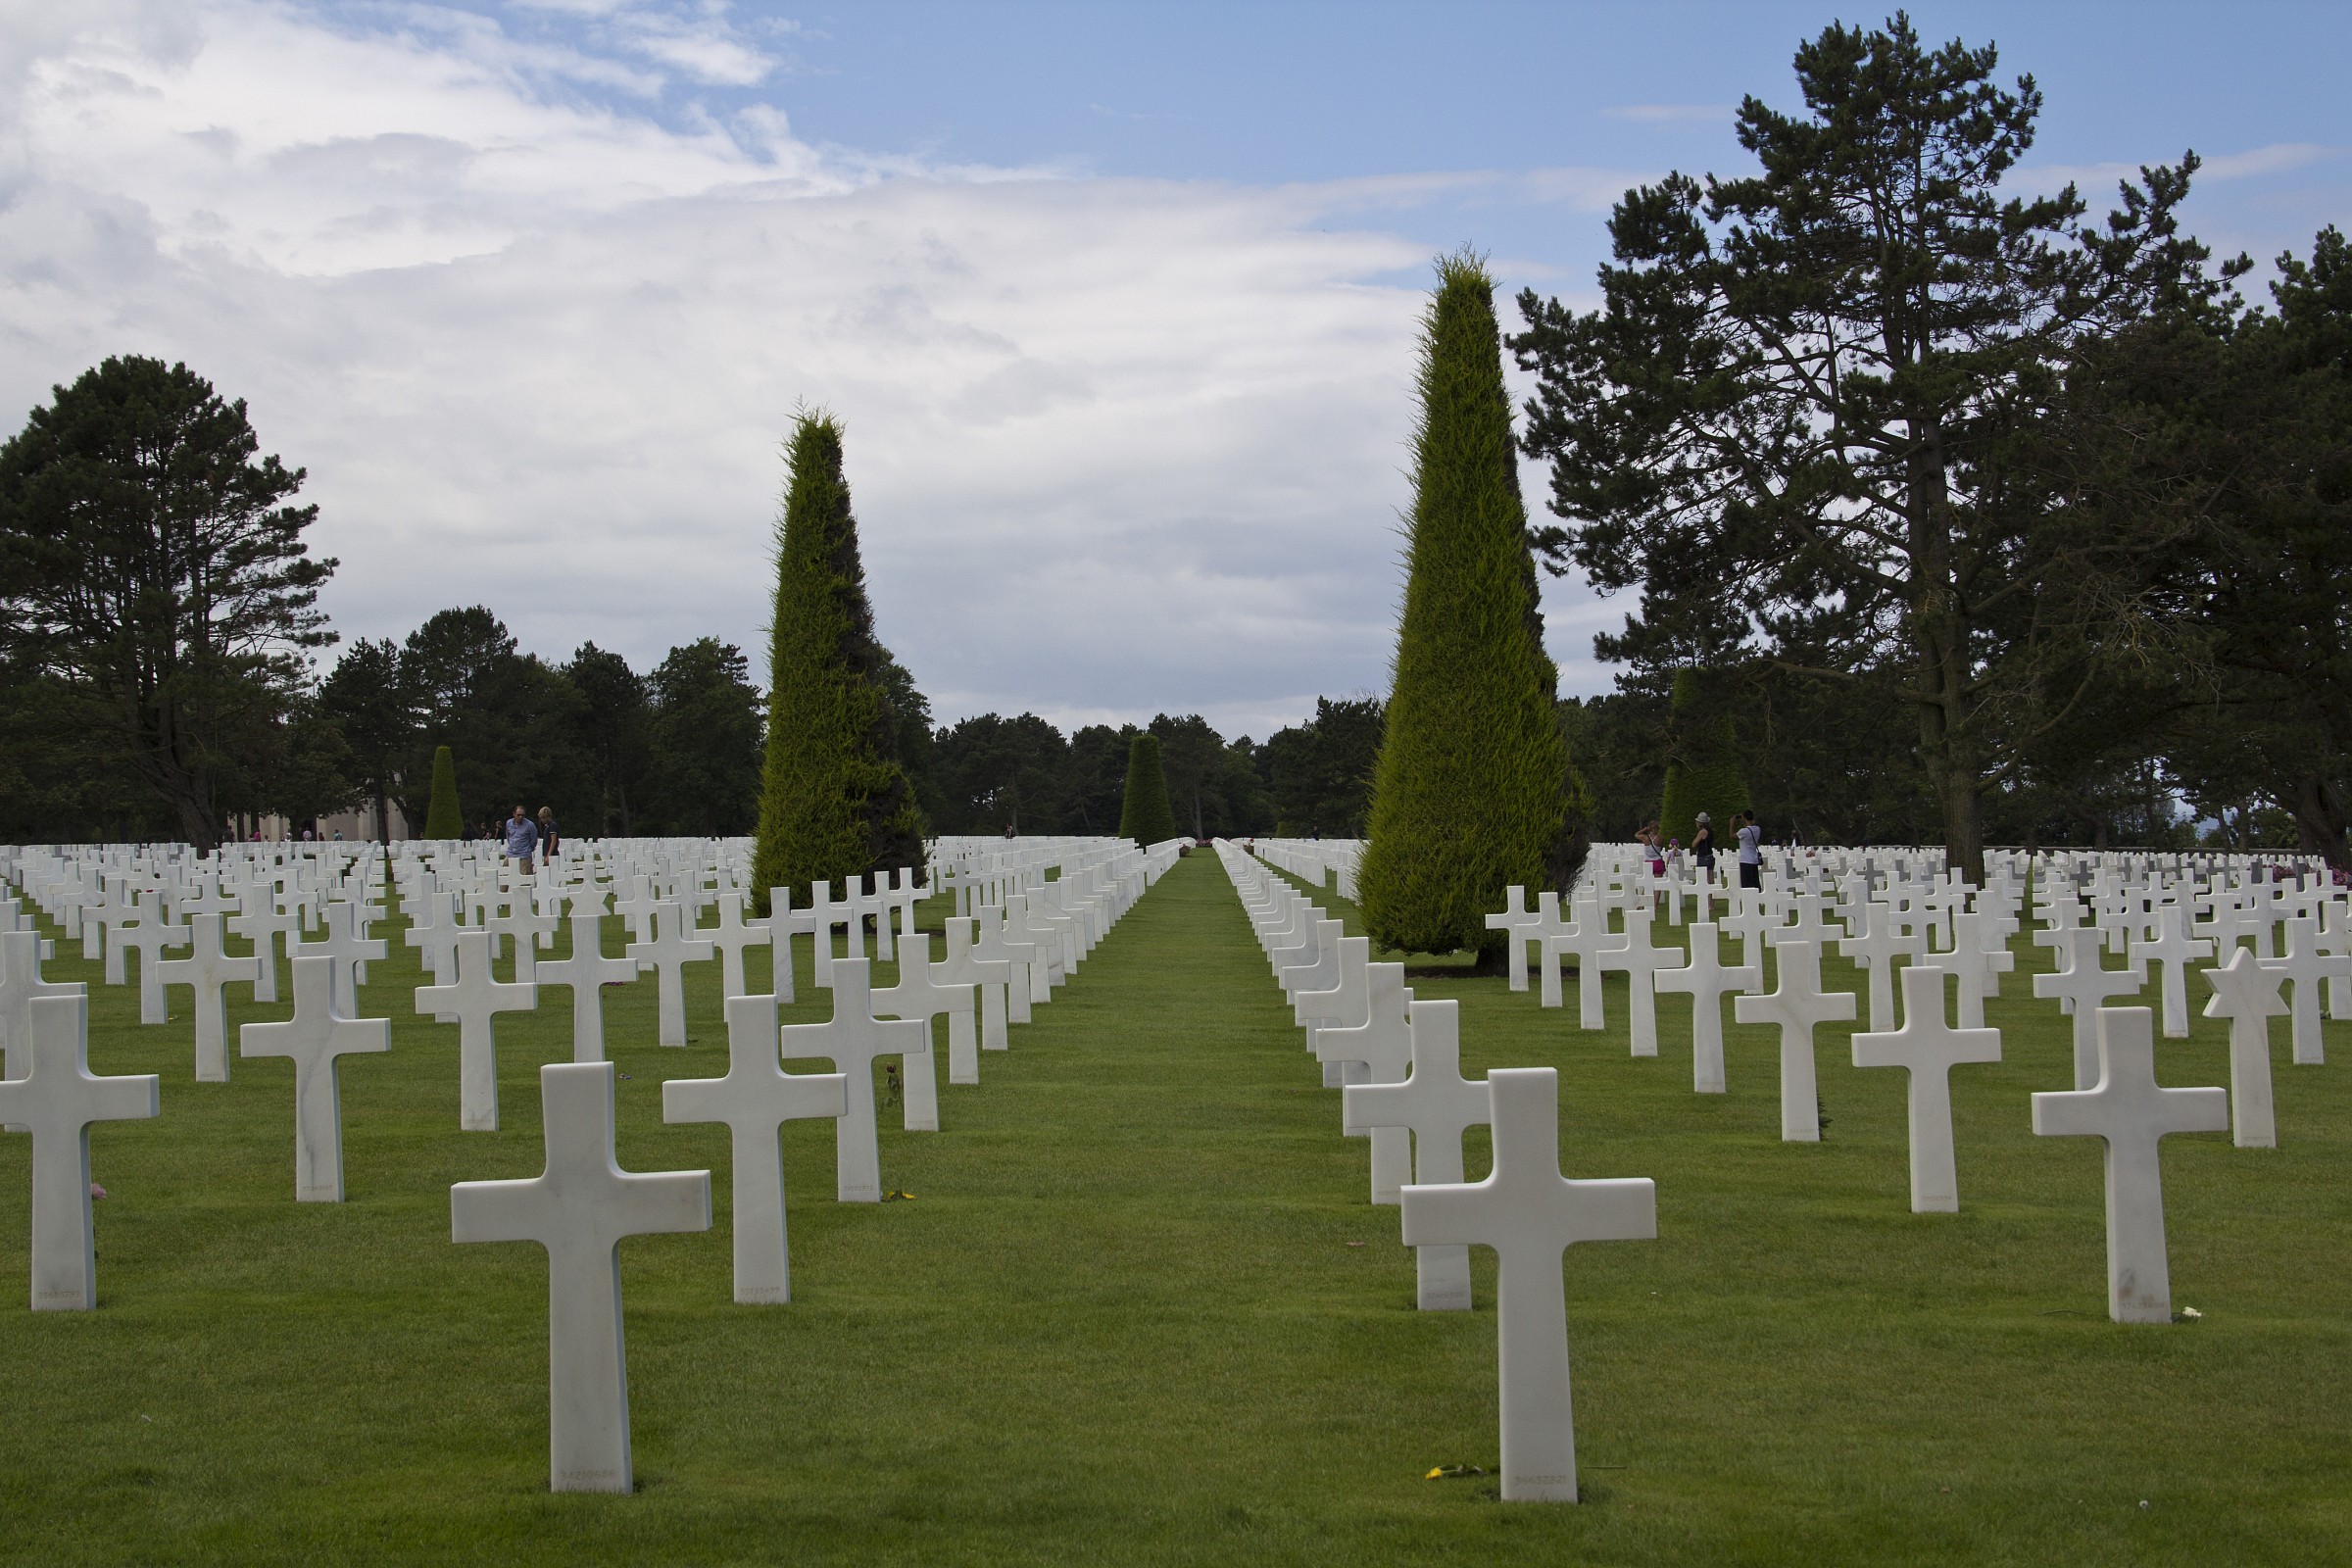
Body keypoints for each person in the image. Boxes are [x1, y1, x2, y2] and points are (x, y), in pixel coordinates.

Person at [505, 804, 540, 875]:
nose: (521, 817)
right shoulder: (509, 823)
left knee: (525, 880)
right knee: (504, 876)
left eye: (522, 815)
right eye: (518, 815)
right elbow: (508, 836)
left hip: (524, 854)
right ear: (514, 814)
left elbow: (533, 840)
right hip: (511, 853)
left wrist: (528, 849)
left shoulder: (530, 825)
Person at [1736, 809, 1763, 890]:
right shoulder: (1757, 829)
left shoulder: (1743, 831)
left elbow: (1731, 836)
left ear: (1744, 818)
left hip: (1746, 860)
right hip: (1754, 860)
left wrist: (1732, 822)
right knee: (1755, 883)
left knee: (1747, 886)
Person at [1692, 811, 1717, 883]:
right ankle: (1711, 894)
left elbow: (1694, 844)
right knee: (1710, 877)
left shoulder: (1702, 832)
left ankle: (1707, 894)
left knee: (1703, 880)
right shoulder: (1710, 831)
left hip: (1703, 857)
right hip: (1710, 855)